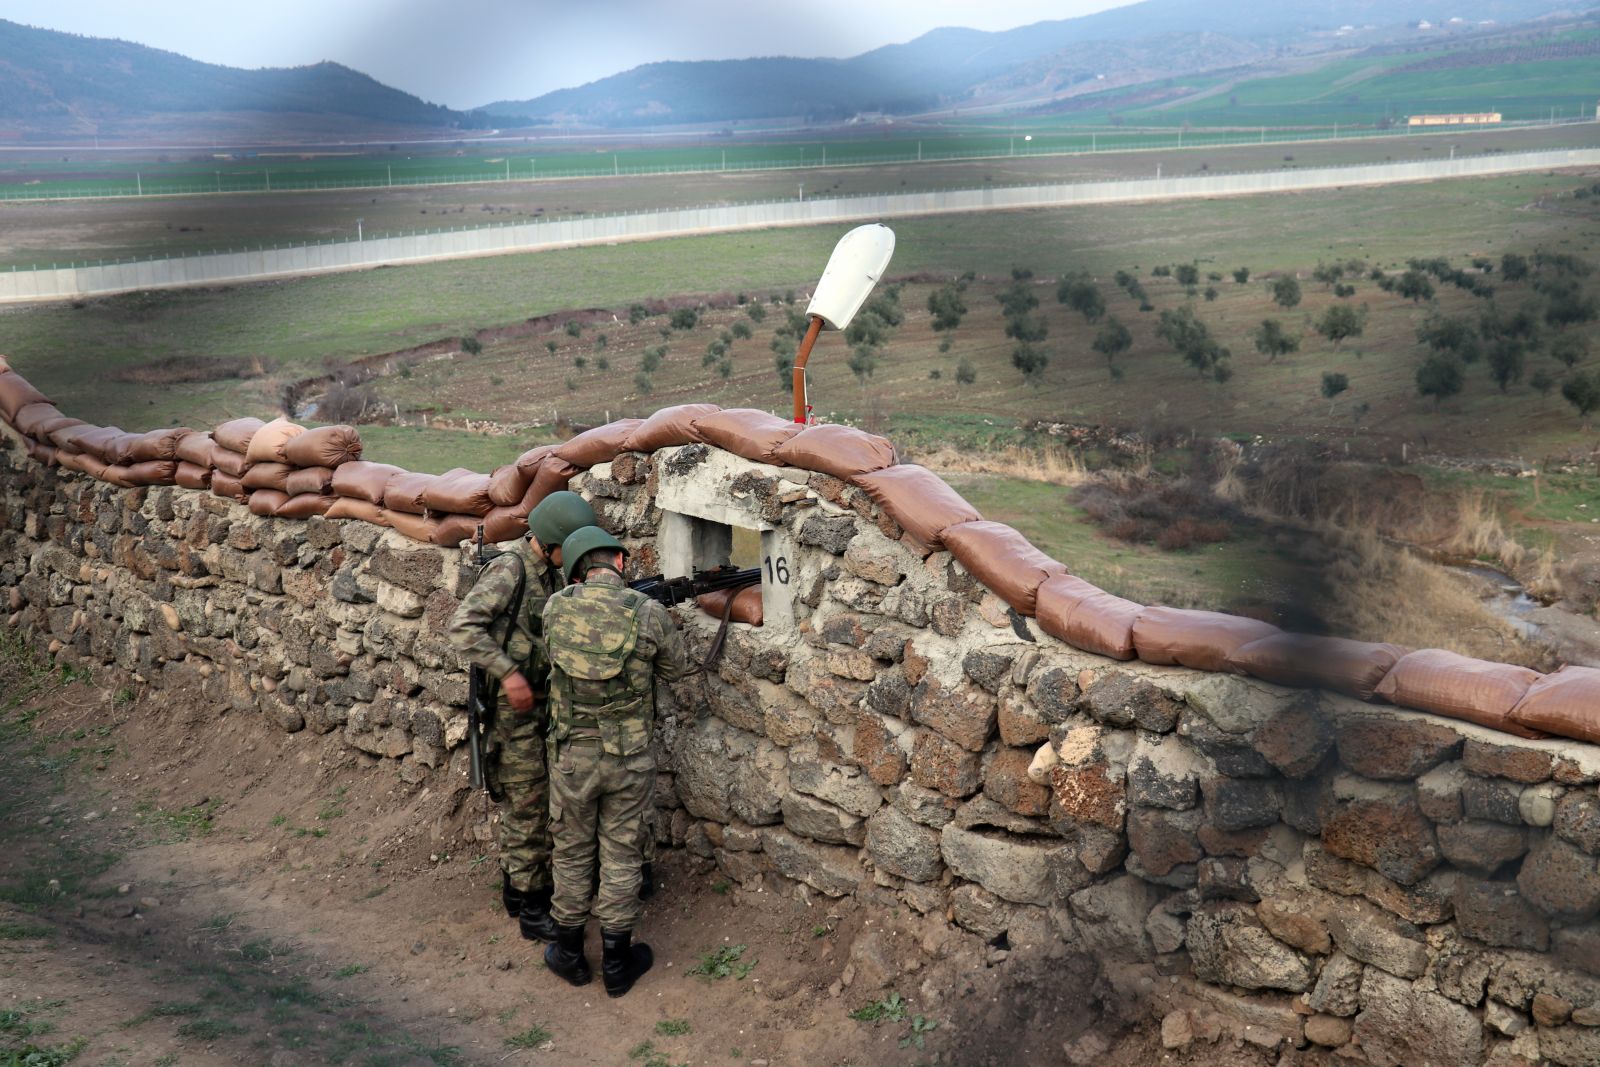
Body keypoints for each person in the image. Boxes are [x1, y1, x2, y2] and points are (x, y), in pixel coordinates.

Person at [446, 490, 597, 943]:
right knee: (527, 806)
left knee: (540, 801)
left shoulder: (550, 575)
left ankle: (517, 889)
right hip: (513, 714)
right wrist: (509, 673)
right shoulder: (510, 570)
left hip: (542, 707)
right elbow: (463, 627)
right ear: (550, 542)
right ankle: (532, 907)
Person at [541, 525, 685, 997]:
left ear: (578, 568)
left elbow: (553, 660)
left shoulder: (556, 607)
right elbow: (674, 670)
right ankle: (619, 962)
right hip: (628, 757)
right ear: (619, 564)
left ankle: (569, 953)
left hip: (571, 756)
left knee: (572, 850)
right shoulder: (649, 612)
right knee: (623, 854)